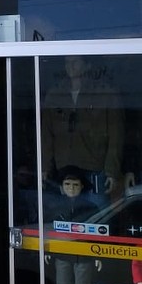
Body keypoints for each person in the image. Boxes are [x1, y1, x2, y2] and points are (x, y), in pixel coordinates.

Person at [42, 55, 123, 209]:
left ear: (87, 65)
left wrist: (112, 170)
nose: (70, 66)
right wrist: (45, 167)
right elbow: (46, 135)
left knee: (97, 220)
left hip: (95, 167)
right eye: (67, 62)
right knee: (65, 218)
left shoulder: (105, 92)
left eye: (75, 62)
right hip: (64, 169)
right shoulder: (55, 93)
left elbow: (116, 134)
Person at [44, 166, 101, 284]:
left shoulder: (90, 207)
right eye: (67, 184)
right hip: (61, 252)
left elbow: (97, 231)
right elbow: (48, 229)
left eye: (75, 185)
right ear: (62, 186)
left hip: (84, 254)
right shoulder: (54, 207)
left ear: (81, 187)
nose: (71, 188)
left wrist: (98, 253)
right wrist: (46, 249)